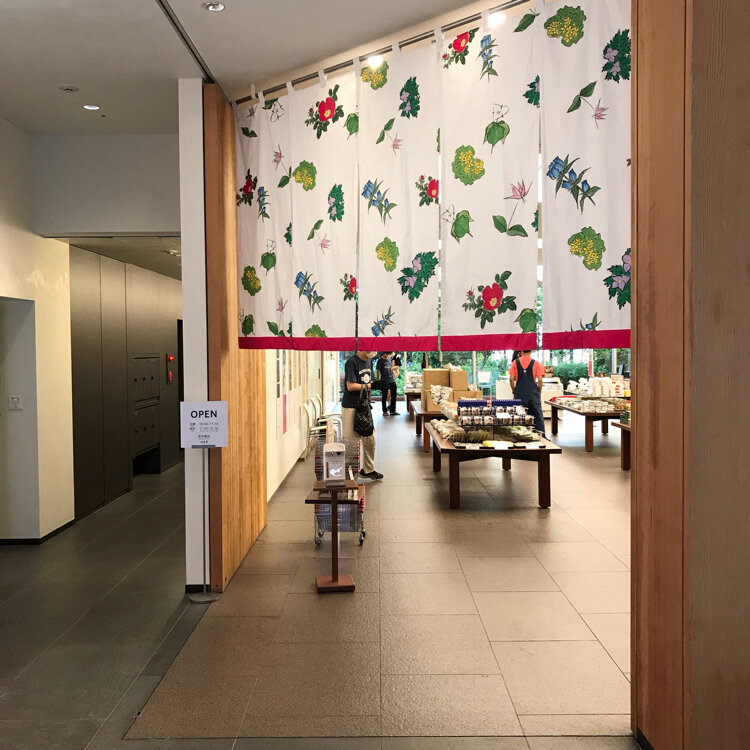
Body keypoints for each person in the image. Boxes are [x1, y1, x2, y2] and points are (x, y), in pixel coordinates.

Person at [341, 351, 383, 480]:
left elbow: (369, 382)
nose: (374, 351)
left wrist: (375, 387)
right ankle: (350, 474)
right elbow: (350, 386)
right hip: (351, 406)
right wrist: (371, 385)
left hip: (364, 406)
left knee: (370, 439)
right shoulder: (352, 362)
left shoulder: (369, 361)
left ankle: (368, 470)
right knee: (351, 441)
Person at [508, 349, 546, 436]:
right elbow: (540, 380)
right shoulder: (536, 363)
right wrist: (539, 391)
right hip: (533, 395)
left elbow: (511, 379)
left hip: (519, 394)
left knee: (518, 417)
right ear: (531, 351)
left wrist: (513, 390)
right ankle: (541, 436)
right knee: (537, 416)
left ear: (521, 350)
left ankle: (519, 435)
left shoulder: (515, 363)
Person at [376, 352, 400, 416]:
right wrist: (378, 380)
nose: (388, 355)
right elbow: (378, 371)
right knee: (384, 396)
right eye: (388, 354)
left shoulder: (389, 358)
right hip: (384, 380)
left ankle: (392, 410)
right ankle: (385, 411)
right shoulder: (380, 360)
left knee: (394, 395)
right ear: (385, 353)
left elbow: (390, 368)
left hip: (392, 379)